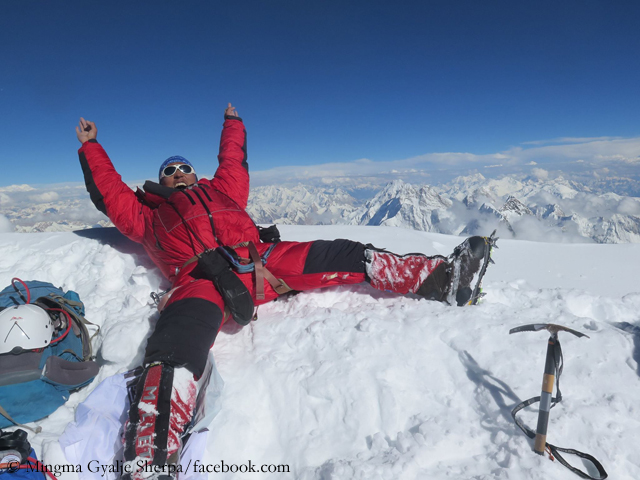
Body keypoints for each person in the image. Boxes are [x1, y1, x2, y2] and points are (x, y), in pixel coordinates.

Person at [75, 104, 490, 479]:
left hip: (259, 258)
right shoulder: (146, 215)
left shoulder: (221, 191)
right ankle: (151, 459)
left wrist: (232, 123)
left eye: (183, 168)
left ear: (194, 175)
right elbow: (109, 191)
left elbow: (233, 161)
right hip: (198, 279)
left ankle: (438, 279)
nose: (178, 174)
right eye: (170, 171)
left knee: (340, 254)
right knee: (176, 346)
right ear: (159, 180)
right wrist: (92, 146)